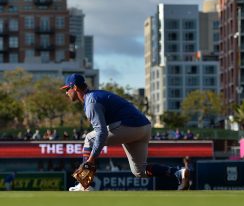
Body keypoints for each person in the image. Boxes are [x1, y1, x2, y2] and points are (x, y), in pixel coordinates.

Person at [60, 73, 190, 191]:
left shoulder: (91, 102)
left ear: (75, 87)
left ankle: (84, 185)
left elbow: (101, 133)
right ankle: (178, 173)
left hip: (130, 126)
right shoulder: (94, 96)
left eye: (67, 89)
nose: (66, 92)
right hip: (143, 127)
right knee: (140, 171)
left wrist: (90, 159)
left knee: (90, 138)